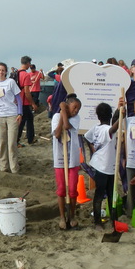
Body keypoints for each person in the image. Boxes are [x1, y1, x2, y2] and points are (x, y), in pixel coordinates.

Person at [86, 102, 120, 228]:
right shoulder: (106, 130)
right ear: (110, 115)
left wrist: (119, 110)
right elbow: (113, 128)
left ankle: (112, 220)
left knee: (106, 194)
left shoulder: (96, 128)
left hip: (104, 165)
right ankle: (99, 221)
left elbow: (87, 137)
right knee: (105, 194)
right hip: (103, 167)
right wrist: (121, 116)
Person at [52, 95, 82, 229]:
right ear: (68, 105)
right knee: (61, 189)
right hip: (59, 159)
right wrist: (61, 114)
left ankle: (72, 215)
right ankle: (62, 217)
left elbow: (67, 126)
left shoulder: (76, 119)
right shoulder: (55, 117)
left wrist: (64, 112)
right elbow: (58, 133)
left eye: (78, 109)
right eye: (74, 107)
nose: (76, 111)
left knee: (72, 189)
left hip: (72, 159)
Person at [0, 62, 23, 173]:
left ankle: (14, 168)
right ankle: (3, 167)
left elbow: (18, 98)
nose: (0, 72)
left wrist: (20, 113)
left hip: (12, 115)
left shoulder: (11, 82)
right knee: (2, 142)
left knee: (11, 143)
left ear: (6, 72)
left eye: (2, 70)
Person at [17, 55, 36, 145]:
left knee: (22, 120)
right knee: (25, 121)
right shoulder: (26, 75)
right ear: (28, 63)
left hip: (16, 101)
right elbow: (27, 92)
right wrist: (32, 103)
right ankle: (28, 139)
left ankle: (28, 138)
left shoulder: (16, 73)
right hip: (23, 102)